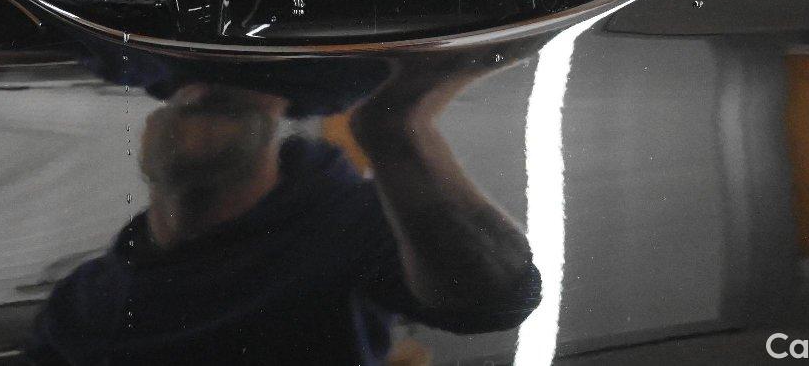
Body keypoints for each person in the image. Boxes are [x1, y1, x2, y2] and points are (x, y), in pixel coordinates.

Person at [30, 51, 542, 365]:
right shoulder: (82, 299)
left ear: (284, 115)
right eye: (184, 91)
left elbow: (487, 300)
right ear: (146, 131)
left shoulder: (349, 226)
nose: (202, 87)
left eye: (234, 94)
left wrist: (395, 131)